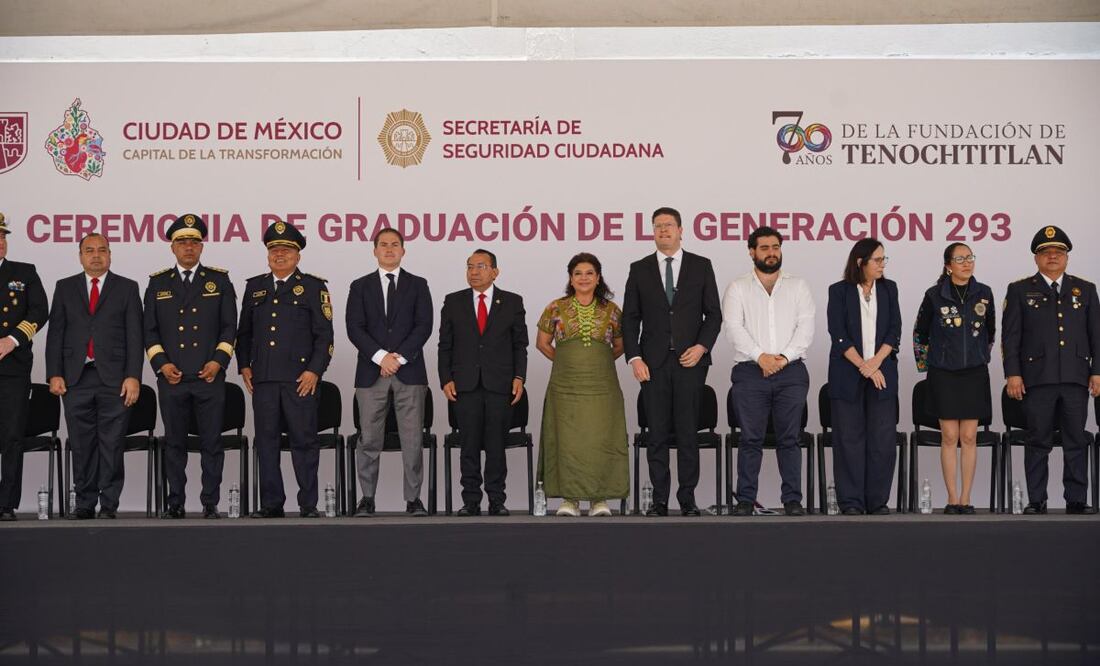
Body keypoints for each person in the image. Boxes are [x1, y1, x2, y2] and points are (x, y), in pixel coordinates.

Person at [622, 206, 722, 517]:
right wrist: (634, 357)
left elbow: (714, 315)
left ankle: (688, 500)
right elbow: (630, 318)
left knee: (688, 433)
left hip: (690, 362)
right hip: (652, 364)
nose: (663, 230)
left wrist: (702, 347)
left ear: (681, 230)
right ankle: (660, 501)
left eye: (668, 225)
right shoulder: (639, 269)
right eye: (657, 226)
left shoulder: (701, 266)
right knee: (657, 434)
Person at [237, 220, 334, 518]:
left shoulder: (314, 287)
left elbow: (325, 336)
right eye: (274, 249)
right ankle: (271, 504)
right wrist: (243, 366)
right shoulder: (255, 287)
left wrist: (314, 372)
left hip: (300, 380)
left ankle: (308, 504)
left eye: (287, 250)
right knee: (266, 443)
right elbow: (244, 334)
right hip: (264, 379)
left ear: (298, 255)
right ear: (268, 254)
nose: (280, 254)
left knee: (304, 441)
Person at [143, 213, 237, 519]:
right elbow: (149, 331)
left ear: (202, 247)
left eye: (194, 242)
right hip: (172, 378)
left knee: (211, 443)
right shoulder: (158, 283)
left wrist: (218, 362)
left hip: (209, 377)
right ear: (172, 247)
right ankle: (176, 503)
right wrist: (161, 364)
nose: (188, 247)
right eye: (182, 242)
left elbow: (229, 328)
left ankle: (210, 503)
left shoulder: (219, 281)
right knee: (175, 444)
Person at [1002, 225, 1100, 515]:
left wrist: (1097, 371)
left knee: (1075, 440)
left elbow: (1096, 335)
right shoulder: (1020, 290)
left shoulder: (1086, 289)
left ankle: (1076, 499)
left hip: (1075, 377)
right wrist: (1013, 373)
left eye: (1059, 252)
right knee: (1037, 441)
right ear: (1037, 258)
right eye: (1046, 252)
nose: (1053, 256)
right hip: (1037, 379)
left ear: (1067, 257)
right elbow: (1011, 337)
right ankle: (1036, 500)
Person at [45, 233, 143, 520]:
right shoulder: (64, 287)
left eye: (102, 250)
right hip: (75, 378)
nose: (96, 255)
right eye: (89, 250)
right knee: (82, 442)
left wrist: (133, 376)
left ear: (110, 255)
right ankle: (85, 502)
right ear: (80, 256)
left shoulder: (127, 288)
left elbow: (135, 336)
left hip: (115, 380)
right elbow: (55, 335)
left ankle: (109, 504)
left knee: (112, 443)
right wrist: (54, 373)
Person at [722, 226, 814, 516]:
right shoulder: (738, 287)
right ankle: (746, 500)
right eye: (764, 248)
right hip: (750, 372)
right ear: (752, 252)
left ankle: (793, 501)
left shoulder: (798, 285)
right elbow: (734, 328)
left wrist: (783, 358)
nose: (771, 253)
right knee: (751, 439)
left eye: (776, 247)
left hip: (792, 372)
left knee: (790, 438)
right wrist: (760, 357)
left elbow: (806, 327)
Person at [346, 228, 433, 518]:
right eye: (383, 245)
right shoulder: (360, 286)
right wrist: (382, 357)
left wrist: (400, 357)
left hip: (409, 372)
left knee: (412, 439)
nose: (389, 249)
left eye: (395, 244)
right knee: (369, 438)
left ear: (403, 250)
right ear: (374, 250)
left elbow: (424, 325)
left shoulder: (418, 284)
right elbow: (354, 327)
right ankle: (367, 498)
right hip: (372, 372)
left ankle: (413, 500)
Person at [535, 253, 628, 517]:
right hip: (565, 386)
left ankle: (599, 500)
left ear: (598, 278)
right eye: (578, 273)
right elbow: (542, 343)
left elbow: (621, 346)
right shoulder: (555, 307)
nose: (584, 278)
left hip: (602, 387)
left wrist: (594, 362)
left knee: (601, 438)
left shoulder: (612, 310)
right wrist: (567, 361)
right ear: (570, 278)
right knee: (567, 440)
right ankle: (570, 500)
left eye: (589, 273)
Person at [438, 249, 528, 517]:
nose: (473, 272)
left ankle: (497, 500)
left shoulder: (512, 302)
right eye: (469, 267)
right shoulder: (453, 302)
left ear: (495, 272)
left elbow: (519, 345)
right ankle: (471, 501)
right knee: (469, 446)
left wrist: (519, 377)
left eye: (480, 266)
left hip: (499, 384)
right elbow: (445, 346)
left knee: (495, 446)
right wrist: (445, 379)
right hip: (465, 385)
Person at [912, 243, 995, 515]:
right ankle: (951, 498)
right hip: (943, 373)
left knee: (969, 436)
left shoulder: (985, 293)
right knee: (949, 436)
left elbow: (990, 332)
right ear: (948, 265)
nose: (967, 263)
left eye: (970, 258)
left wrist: (980, 354)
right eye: (960, 259)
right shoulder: (934, 295)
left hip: (973, 372)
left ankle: (966, 497)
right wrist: (928, 365)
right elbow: (920, 334)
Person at [826, 239, 901, 516]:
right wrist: (863, 366)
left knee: (882, 439)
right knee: (849, 440)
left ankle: (877, 501)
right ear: (861, 262)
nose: (882, 264)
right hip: (848, 374)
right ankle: (852, 502)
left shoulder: (889, 289)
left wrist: (875, 363)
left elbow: (894, 331)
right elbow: (838, 334)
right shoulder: (839, 291)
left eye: (884, 259)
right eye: (877, 260)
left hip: (881, 373)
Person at [0, 213, 49, 521]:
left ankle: (6, 504)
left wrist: (13, 339)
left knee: (11, 436)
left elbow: (39, 311)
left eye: (3, 237)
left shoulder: (24, 272)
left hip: (13, 366)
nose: (1, 242)